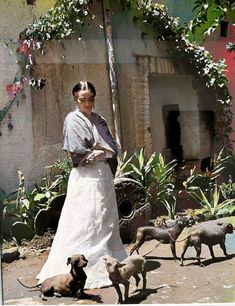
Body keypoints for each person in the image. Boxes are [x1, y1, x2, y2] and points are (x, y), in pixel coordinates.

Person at [37, 81, 127, 289]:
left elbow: (112, 148)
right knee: (83, 221)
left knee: (104, 220)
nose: (87, 104)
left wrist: (102, 152)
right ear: (75, 99)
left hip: (103, 177)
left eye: (90, 99)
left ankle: (108, 262)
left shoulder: (99, 120)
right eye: (82, 100)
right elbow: (74, 154)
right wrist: (92, 154)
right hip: (84, 179)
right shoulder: (72, 120)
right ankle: (79, 268)